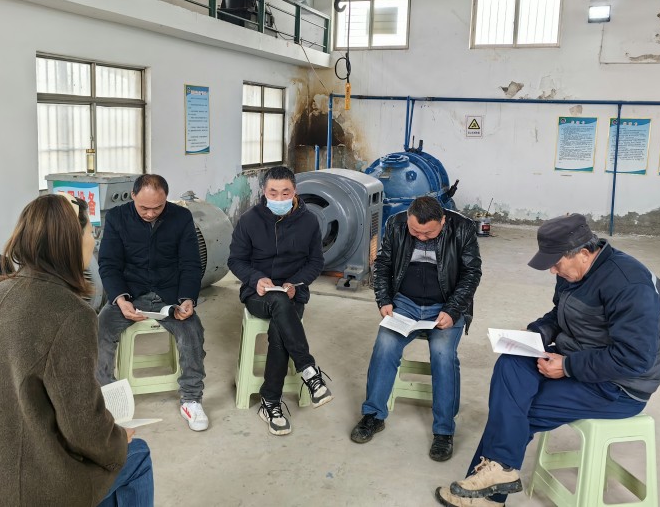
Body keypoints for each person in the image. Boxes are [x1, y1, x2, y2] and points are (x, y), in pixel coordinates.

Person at [434, 213, 660, 507]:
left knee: (517, 410)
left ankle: (488, 496)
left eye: (556, 263)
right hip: (578, 357)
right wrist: (536, 333)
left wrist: (567, 367)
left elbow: (635, 359)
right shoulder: (572, 272)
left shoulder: (629, 285)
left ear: (583, 253)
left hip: (619, 386)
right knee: (511, 361)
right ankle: (498, 475)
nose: (552, 271)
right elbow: (559, 315)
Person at [0, 194, 153, 506]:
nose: (92, 241)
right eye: (90, 233)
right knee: (135, 455)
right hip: (25, 491)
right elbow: (82, 426)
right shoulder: (71, 313)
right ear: (72, 242)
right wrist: (117, 438)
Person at [350, 196, 482, 462]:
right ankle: (373, 415)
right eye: (415, 232)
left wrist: (453, 310)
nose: (421, 238)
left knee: (443, 355)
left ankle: (444, 430)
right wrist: (384, 300)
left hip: (445, 305)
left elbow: (471, 273)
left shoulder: (463, 228)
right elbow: (383, 264)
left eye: (429, 233)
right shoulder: (396, 223)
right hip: (405, 303)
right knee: (385, 346)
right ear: (408, 219)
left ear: (443, 220)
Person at [97, 174, 208, 431]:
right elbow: (109, 264)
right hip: (130, 293)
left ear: (166, 199)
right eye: (143, 207)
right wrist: (120, 299)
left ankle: (192, 399)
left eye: (157, 207)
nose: (150, 213)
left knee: (192, 331)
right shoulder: (116, 218)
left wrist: (187, 299)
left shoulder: (181, 217)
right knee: (101, 328)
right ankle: (106, 397)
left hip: (170, 295)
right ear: (133, 196)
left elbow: (190, 264)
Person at [227, 166, 331, 436]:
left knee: (279, 327)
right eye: (273, 192)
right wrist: (256, 279)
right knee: (278, 303)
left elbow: (316, 262)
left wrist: (296, 283)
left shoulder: (309, 222)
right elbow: (235, 260)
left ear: (295, 191)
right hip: (258, 294)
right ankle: (308, 370)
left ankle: (270, 402)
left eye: (285, 192)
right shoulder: (249, 220)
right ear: (264, 191)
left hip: (294, 292)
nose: (279, 197)